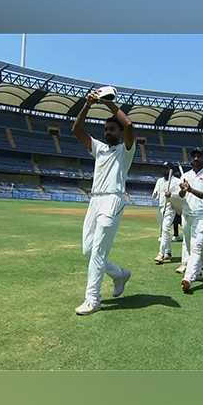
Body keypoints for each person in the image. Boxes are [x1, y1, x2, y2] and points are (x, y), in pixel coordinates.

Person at [71, 88, 135, 316]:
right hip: (94, 200)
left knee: (98, 251)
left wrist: (108, 103)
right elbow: (76, 130)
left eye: (112, 129)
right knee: (88, 250)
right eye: (106, 129)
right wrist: (87, 105)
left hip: (112, 200)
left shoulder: (125, 150)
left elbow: (129, 126)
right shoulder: (99, 148)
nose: (108, 132)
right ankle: (119, 274)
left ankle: (92, 299)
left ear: (118, 132)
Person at [177, 148, 203, 293]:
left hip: (201, 215)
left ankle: (188, 278)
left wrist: (191, 189)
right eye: (194, 156)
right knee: (188, 244)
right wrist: (183, 189)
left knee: (197, 246)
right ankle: (197, 271)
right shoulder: (185, 176)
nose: (196, 158)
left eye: (199, 156)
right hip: (187, 214)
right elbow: (181, 195)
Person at [152, 163, 181, 264]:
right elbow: (155, 193)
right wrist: (155, 194)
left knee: (165, 229)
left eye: (167, 168)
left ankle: (161, 254)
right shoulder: (159, 181)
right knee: (164, 231)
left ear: (170, 170)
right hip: (161, 208)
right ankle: (168, 252)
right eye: (163, 168)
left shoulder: (176, 181)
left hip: (170, 208)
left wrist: (171, 195)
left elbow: (180, 195)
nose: (164, 170)